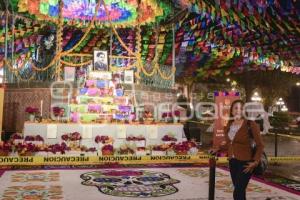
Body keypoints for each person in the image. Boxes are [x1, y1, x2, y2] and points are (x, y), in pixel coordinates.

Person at [211, 100, 264, 200]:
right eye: (236, 108)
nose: (238, 111)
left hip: (246, 163)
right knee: (240, 191)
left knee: (237, 193)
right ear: (232, 111)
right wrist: (218, 148)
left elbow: (260, 145)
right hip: (233, 162)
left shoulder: (251, 124)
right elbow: (230, 144)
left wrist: (255, 161)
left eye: (241, 108)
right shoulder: (229, 125)